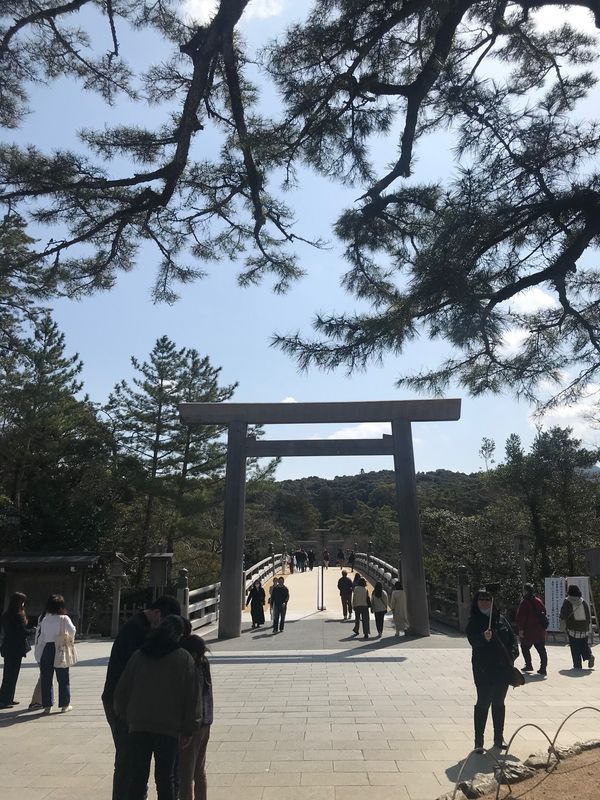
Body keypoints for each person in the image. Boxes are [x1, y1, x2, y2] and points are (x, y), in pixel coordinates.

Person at [102, 594, 181, 800]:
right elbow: (134, 676)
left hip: (129, 704)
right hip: (122, 703)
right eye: (165, 623)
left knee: (132, 761)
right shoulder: (137, 631)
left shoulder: (139, 627)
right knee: (127, 761)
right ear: (157, 614)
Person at [114, 615, 198, 800]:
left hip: (138, 725)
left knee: (137, 777)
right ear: (178, 636)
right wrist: (189, 728)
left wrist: (125, 715)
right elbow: (191, 696)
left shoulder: (139, 655)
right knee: (166, 779)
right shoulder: (183, 658)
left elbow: (122, 690)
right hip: (168, 727)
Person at [466, 588, 518, 754]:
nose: (485, 602)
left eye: (488, 599)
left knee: (499, 702)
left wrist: (512, 654)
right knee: (483, 702)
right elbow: (473, 641)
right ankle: (478, 740)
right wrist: (483, 638)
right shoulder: (474, 621)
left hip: (502, 669)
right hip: (483, 669)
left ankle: (498, 737)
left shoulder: (501, 619)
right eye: (481, 599)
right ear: (476, 602)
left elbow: (512, 640)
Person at [179, 635, 213, 800]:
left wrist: (187, 730)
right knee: (199, 769)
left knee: (186, 773)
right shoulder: (204, 664)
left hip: (194, 725)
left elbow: (193, 700)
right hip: (206, 722)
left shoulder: (193, 669)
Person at [34, 594, 76, 713]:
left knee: (46, 678)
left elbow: (41, 637)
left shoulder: (44, 619)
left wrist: (39, 653)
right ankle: (64, 704)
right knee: (63, 677)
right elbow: (73, 630)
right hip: (60, 648)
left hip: (47, 648)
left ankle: (47, 705)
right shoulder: (64, 618)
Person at [0, 592, 30, 708]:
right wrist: (33, 630)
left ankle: (8, 698)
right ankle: (4, 700)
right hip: (15, 649)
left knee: (9, 675)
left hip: (8, 647)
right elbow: (22, 632)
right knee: (11, 675)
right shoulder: (17, 616)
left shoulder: (6, 615)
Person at [560, 584, 595, 670]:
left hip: (573, 628)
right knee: (584, 644)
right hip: (584, 627)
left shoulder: (567, 601)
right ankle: (589, 656)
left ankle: (577, 665)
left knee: (575, 646)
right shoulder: (583, 601)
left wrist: (562, 626)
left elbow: (563, 615)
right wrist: (587, 625)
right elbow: (588, 615)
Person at [516, 583, 548, 676]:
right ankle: (543, 668)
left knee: (524, 647)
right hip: (539, 630)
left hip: (528, 630)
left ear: (526, 591)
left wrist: (521, 630)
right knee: (541, 649)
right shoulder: (538, 600)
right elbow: (544, 612)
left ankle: (529, 665)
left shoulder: (524, 602)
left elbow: (521, 617)